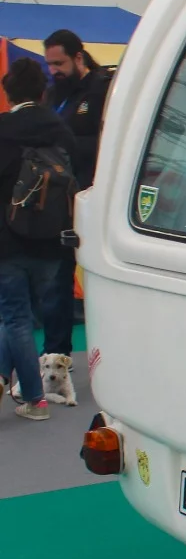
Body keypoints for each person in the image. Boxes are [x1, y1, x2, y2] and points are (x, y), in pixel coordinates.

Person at [0, 58, 76, 420]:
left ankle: (35, 400)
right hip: (52, 240)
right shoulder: (59, 128)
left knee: (14, 318)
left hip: (9, 240)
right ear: (43, 91)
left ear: (7, 91)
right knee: (31, 313)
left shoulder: (4, 129)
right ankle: (2, 378)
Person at [40, 29, 110, 372]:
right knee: (57, 282)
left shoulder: (101, 89)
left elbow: (109, 143)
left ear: (78, 57)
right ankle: (56, 358)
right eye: (49, 63)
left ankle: (114, 355)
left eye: (59, 63)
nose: (53, 69)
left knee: (102, 280)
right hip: (60, 205)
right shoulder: (52, 95)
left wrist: (64, 145)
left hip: (97, 202)